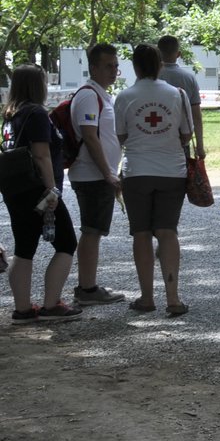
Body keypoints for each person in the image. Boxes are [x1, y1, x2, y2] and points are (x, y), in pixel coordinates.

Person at [115, 43, 192, 317]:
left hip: (137, 172)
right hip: (172, 171)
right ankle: (173, 298)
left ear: (135, 66)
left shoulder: (124, 96)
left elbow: (120, 136)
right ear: (160, 65)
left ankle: (147, 297)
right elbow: (187, 134)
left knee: (142, 233)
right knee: (168, 231)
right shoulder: (178, 94)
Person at [2, 65, 81, 324]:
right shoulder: (36, 113)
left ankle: (23, 309)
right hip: (39, 191)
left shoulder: (11, 114)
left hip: (16, 190)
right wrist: (52, 189)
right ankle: (51, 304)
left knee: (24, 248)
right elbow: (41, 153)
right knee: (67, 243)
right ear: (38, 85)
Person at [67, 43, 125, 305]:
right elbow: (90, 138)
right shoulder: (89, 95)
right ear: (94, 67)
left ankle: (88, 286)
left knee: (95, 230)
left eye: (115, 65)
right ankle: (87, 289)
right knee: (92, 231)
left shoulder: (101, 94)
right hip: (93, 177)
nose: (114, 70)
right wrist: (108, 173)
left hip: (98, 176)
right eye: (108, 66)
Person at [156, 35, 206, 163]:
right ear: (178, 54)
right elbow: (196, 116)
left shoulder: (150, 77)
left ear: (158, 51)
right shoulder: (188, 78)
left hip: (153, 140)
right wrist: (200, 146)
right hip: (180, 141)